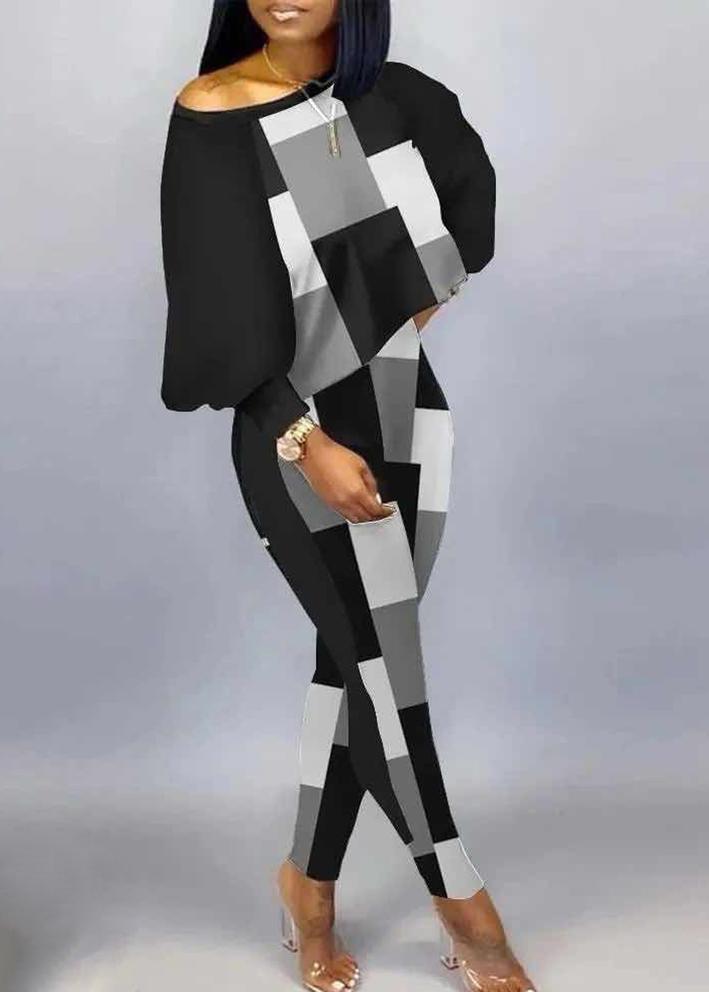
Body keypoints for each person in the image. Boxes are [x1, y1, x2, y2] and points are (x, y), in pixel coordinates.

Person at [159, 2, 536, 991]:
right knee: (384, 675)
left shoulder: (394, 98)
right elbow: (210, 305)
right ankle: (466, 908)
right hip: (296, 436)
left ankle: (308, 886)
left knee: (358, 665)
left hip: (412, 416)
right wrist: (303, 437)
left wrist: (405, 310)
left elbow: (466, 207)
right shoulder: (212, 114)